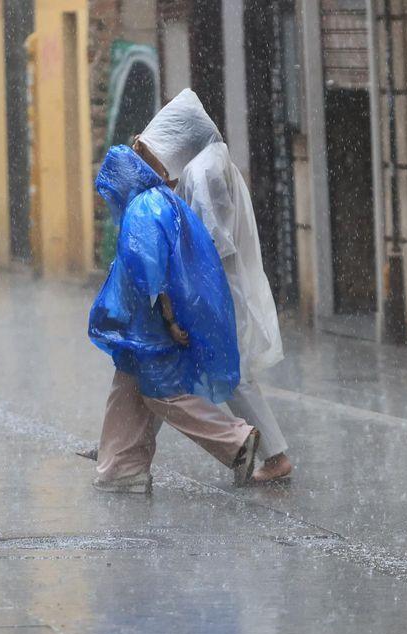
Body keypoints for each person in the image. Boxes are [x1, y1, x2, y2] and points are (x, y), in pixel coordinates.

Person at [135, 89, 293, 483]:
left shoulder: (202, 171)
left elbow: (210, 240)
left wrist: (191, 293)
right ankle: (126, 451)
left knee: (225, 373)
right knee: (169, 370)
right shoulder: (211, 161)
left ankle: (275, 457)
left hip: (217, 288)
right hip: (219, 286)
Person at [90, 144, 261, 493]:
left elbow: (150, 270)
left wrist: (168, 318)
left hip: (148, 324)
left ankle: (236, 440)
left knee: (163, 394)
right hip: (141, 327)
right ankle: (122, 466)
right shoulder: (162, 200)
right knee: (128, 389)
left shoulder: (142, 209)